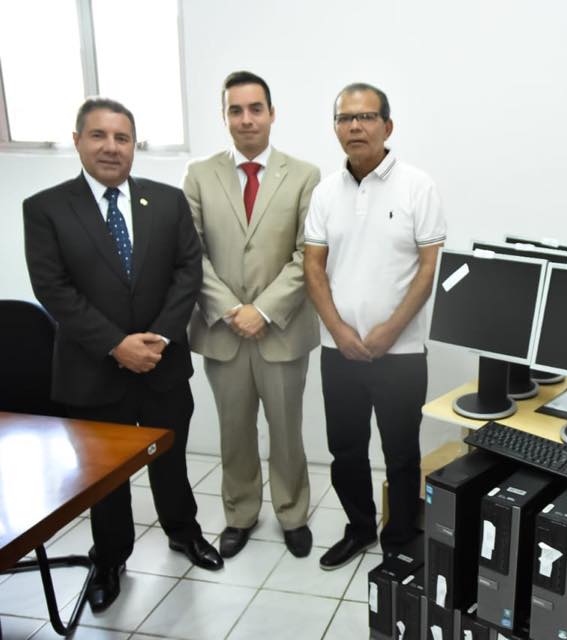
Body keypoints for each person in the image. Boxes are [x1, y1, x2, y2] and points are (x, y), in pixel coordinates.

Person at [22, 97, 222, 613]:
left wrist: (156, 338)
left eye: (122, 137)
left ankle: (183, 531)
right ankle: (109, 557)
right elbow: (53, 288)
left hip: (162, 362)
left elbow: (187, 271)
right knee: (103, 475)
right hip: (93, 369)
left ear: (135, 145)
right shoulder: (45, 208)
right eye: (99, 136)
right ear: (77, 141)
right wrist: (116, 344)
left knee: (171, 457)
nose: (111, 147)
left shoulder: (168, 201)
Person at [304, 82, 446, 569]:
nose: (355, 127)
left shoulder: (417, 186)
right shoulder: (325, 191)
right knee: (345, 449)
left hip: (400, 353)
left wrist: (388, 332)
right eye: (346, 119)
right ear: (336, 129)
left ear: (388, 126)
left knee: (402, 452)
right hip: (337, 350)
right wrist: (340, 332)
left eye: (366, 117)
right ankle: (360, 527)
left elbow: (428, 270)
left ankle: (401, 538)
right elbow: (313, 268)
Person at [184, 71, 321, 559]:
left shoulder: (305, 175)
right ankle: (240, 512)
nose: (246, 119)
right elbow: (190, 253)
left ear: (271, 113)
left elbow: (309, 255)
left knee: (287, 431)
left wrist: (262, 310)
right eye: (235, 110)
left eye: (255, 108)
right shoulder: (200, 175)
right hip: (223, 332)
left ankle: (292, 511)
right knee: (234, 429)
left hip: (281, 329)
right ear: (224, 116)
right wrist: (229, 309)